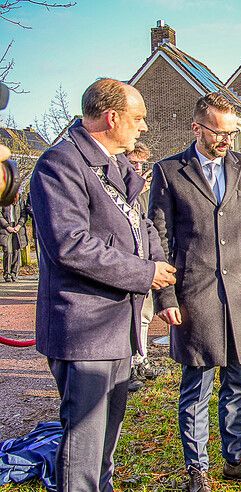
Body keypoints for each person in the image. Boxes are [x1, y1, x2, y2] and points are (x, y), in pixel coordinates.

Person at [29, 78, 176, 491]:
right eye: (138, 118)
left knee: (106, 440)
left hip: (115, 327)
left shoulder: (114, 165)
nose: (143, 127)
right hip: (83, 327)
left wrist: (161, 278)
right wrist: (144, 274)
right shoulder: (60, 165)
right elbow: (70, 245)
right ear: (112, 118)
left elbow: (140, 226)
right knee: (84, 444)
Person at [149, 92, 241, 491]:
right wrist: (166, 296)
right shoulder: (169, 170)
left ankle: (235, 459)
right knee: (197, 385)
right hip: (195, 292)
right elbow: (159, 237)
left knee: (238, 380)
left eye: (233, 132)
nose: (227, 140)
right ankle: (198, 469)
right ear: (197, 128)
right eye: (220, 132)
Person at [125, 142, 164, 392]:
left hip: (146, 263)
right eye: (134, 163)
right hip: (128, 267)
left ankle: (141, 359)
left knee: (145, 315)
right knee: (130, 317)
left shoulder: (142, 190)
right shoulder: (121, 187)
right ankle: (127, 366)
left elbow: (147, 223)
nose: (138, 168)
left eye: (141, 164)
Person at [1, 192, 29, 282]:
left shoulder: (20, 199)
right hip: (6, 228)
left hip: (17, 228)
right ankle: (7, 274)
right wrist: (7, 226)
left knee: (17, 250)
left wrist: (19, 225)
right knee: (8, 251)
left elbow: (24, 214)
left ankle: (14, 273)